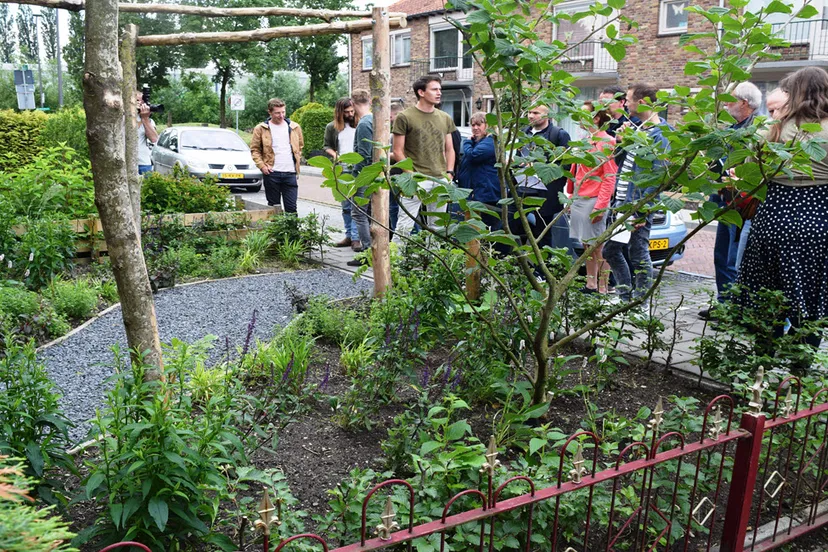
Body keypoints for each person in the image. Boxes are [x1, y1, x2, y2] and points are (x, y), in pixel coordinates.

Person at [738, 66, 828, 360]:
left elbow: (749, 173)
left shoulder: (771, 128)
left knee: (767, 299)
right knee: (812, 302)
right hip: (818, 223)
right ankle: (798, 372)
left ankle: (760, 366)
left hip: (773, 219)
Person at [603, 83, 671, 302]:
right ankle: (626, 296)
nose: (626, 103)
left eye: (629, 99)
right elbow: (621, 162)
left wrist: (643, 209)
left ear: (642, 102)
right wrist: (624, 142)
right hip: (622, 200)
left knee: (638, 251)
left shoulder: (661, 133)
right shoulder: (638, 129)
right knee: (612, 250)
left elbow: (658, 175)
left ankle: (640, 301)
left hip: (638, 204)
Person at [700, 81, 762, 319]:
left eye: (730, 100)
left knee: (733, 257)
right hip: (722, 199)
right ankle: (724, 304)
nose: (726, 104)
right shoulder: (730, 130)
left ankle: (734, 308)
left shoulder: (756, 131)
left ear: (744, 103)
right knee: (721, 255)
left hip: (741, 203)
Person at [392, 76, 457, 240]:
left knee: (437, 228)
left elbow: (450, 149)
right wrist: (412, 175)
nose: (439, 93)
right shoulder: (404, 117)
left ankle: (432, 263)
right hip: (415, 179)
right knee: (404, 226)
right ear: (421, 92)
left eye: (440, 89)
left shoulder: (445, 117)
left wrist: (449, 173)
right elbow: (398, 151)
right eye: (434, 89)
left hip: (441, 179)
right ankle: (397, 263)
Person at [735, 87, 790, 267]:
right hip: (754, 213)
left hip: (773, 218)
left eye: (776, 110)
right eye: (771, 111)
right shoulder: (767, 133)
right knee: (740, 266)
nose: (773, 117)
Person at [566, 101, 618, 294]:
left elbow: (609, 177)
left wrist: (601, 205)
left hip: (594, 199)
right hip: (580, 198)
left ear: (596, 118)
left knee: (598, 246)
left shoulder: (607, 142)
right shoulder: (585, 140)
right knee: (586, 244)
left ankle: (603, 288)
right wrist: (571, 195)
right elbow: (577, 170)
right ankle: (590, 284)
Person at [513, 104, 573, 253]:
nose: (531, 116)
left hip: (545, 192)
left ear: (547, 115)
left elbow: (565, 164)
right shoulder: (523, 133)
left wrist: (539, 166)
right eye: (529, 112)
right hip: (523, 188)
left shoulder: (558, 134)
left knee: (543, 233)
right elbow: (517, 157)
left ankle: (542, 270)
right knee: (517, 227)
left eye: (536, 113)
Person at [250, 98, 304, 213]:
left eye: (283, 112)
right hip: (272, 173)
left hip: (290, 173)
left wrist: (297, 160)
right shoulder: (261, 128)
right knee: (274, 207)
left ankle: (292, 231)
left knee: (291, 208)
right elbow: (255, 150)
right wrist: (262, 166)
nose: (281, 115)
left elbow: (300, 146)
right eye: (277, 113)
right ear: (270, 112)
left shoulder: (294, 127)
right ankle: (275, 231)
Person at [324, 97, 360, 249]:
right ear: (340, 112)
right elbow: (326, 146)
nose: (350, 114)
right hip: (342, 167)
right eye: (346, 112)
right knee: (345, 204)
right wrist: (336, 156)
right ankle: (349, 235)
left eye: (352, 111)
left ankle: (356, 238)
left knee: (357, 204)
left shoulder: (360, 124)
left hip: (358, 167)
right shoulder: (332, 127)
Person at [458, 111, 501, 231]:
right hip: (476, 192)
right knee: (473, 227)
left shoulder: (491, 141)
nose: (475, 128)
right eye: (473, 125)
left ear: (488, 125)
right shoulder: (478, 142)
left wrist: (466, 142)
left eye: (479, 125)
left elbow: (473, 156)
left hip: (486, 193)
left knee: (488, 226)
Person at [347, 89, 374, 266]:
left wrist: (356, 177)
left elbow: (364, 155)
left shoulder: (364, 124)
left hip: (365, 176)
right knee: (370, 213)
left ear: (353, 103)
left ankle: (367, 252)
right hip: (374, 174)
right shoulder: (374, 119)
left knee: (358, 213)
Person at [136, 90, 158, 175]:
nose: (140, 103)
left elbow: (154, 139)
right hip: (125, 162)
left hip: (143, 163)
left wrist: (145, 119)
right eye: (137, 100)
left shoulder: (149, 121)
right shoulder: (122, 118)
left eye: (142, 101)